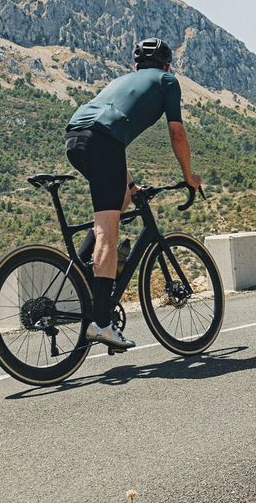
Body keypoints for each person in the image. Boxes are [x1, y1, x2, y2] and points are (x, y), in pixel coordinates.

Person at [64, 38, 202, 351]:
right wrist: (188, 176)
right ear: (167, 65)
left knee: (120, 202)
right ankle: (101, 322)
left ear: (136, 66)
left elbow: (110, 139)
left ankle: (86, 273)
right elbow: (177, 133)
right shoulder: (167, 80)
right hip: (103, 144)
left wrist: (131, 186)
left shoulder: (121, 81)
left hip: (76, 139)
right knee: (108, 231)